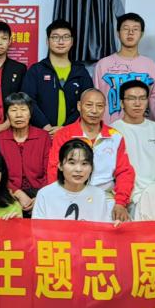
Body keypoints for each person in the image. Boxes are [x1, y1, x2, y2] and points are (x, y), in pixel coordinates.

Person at [47, 89, 134, 222]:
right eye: (89, 105)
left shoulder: (115, 136)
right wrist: (60, 197)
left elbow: (124, 172)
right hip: (70, 195)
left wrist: (121, 202)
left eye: (99, 106)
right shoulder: (64, 135)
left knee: (121, 228)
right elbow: (54, 169)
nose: (94, 111)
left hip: (105, 197)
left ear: (105, 108)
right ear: (79, 106)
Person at [22, 19, 93, 135]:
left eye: (66, 37)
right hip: (41, 133)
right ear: (47, 41)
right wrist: (46, 126)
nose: (61, 42)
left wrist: (65, 128)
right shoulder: (36, 70)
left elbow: (87, 102)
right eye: (55, 37)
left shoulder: (80, 71)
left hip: (73, 133)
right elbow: (28, 101)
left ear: (72, 41)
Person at [92, 13, 155, 124]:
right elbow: (95, 99)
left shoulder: (151, 65)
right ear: (118, 33)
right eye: (126, 29)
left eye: (135, 29)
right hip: (109, 128)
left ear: (141, 34)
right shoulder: (103, 64)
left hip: (141, 128)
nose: (130, 32)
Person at [111, 80, 155, 204]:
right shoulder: (113, 131)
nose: (137, 103)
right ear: (121, 103)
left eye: (142, 98)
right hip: (125, 198)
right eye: (131, 98)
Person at [0, 92, 51, 213]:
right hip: (8, 193)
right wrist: (17, 193)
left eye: (23, 110)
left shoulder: (43, 137)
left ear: (30, 113)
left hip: (41, 191)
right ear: (7, 115)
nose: (19, 115)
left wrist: (41, 196)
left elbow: (50, 171)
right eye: (13, 110)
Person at [33, 139, 115, 222]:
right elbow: (37, 228)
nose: (78, 169)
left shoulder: (98, 195)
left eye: (84, 163)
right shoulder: (45, 194)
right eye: (72, 163)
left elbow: (104, 228)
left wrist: (115, 226)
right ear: (60, 166)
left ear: (92, 168)